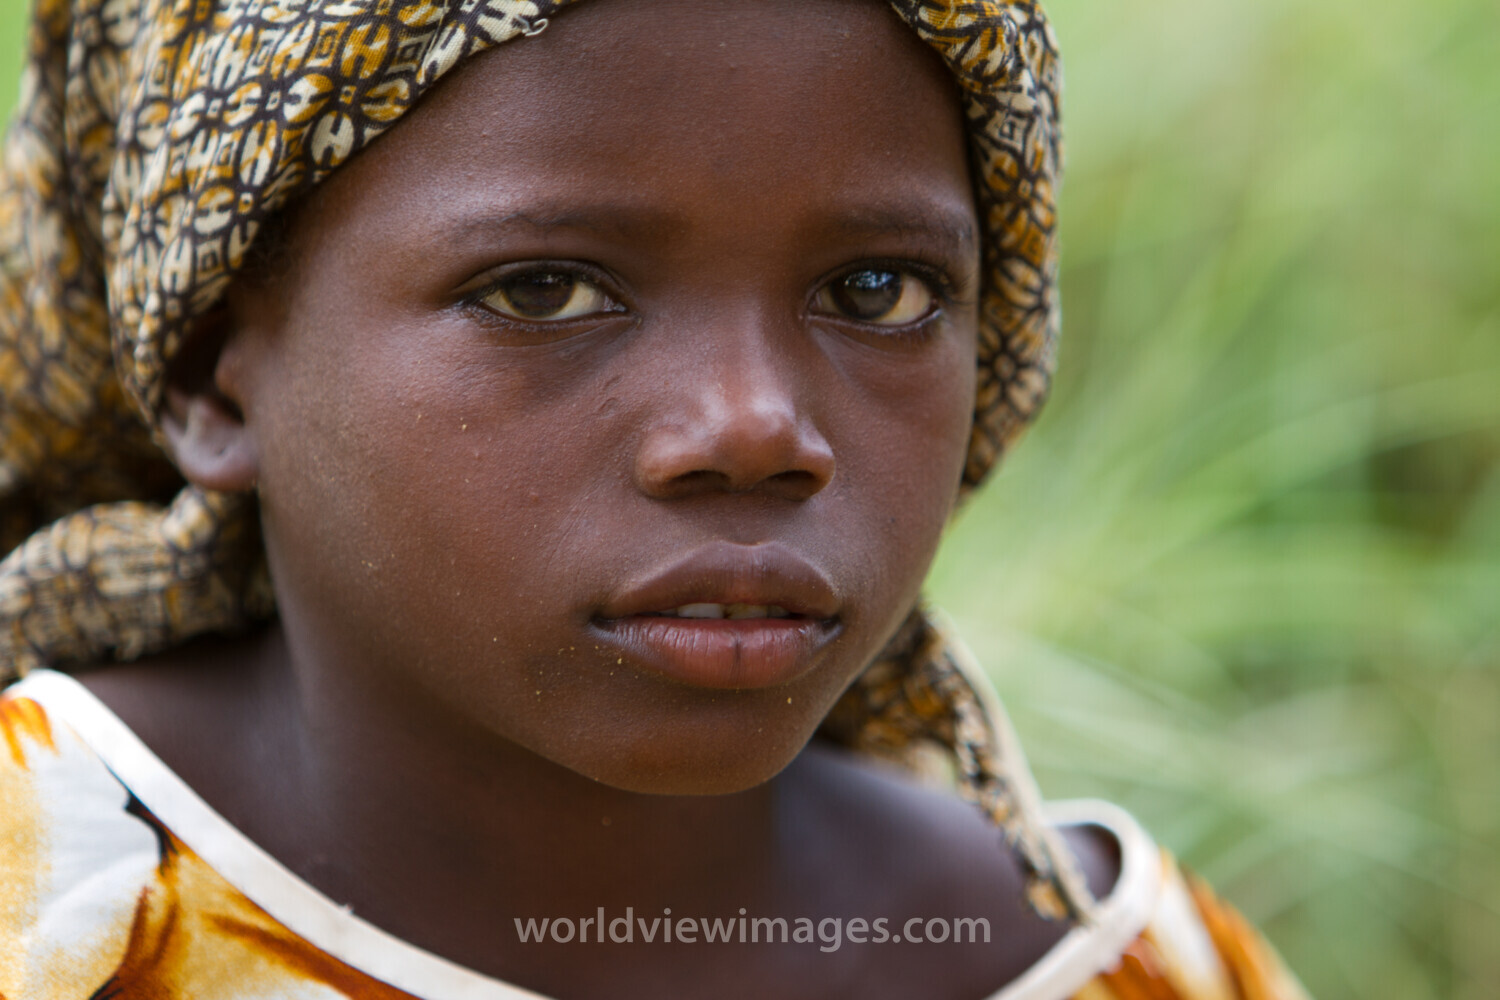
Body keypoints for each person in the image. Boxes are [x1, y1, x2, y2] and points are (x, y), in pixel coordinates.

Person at [0, 0, 1311, 997]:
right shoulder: (50, 898)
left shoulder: (1129, 963)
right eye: (542, 292)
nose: (753, 428)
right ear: (208, 378)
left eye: (878, 293)